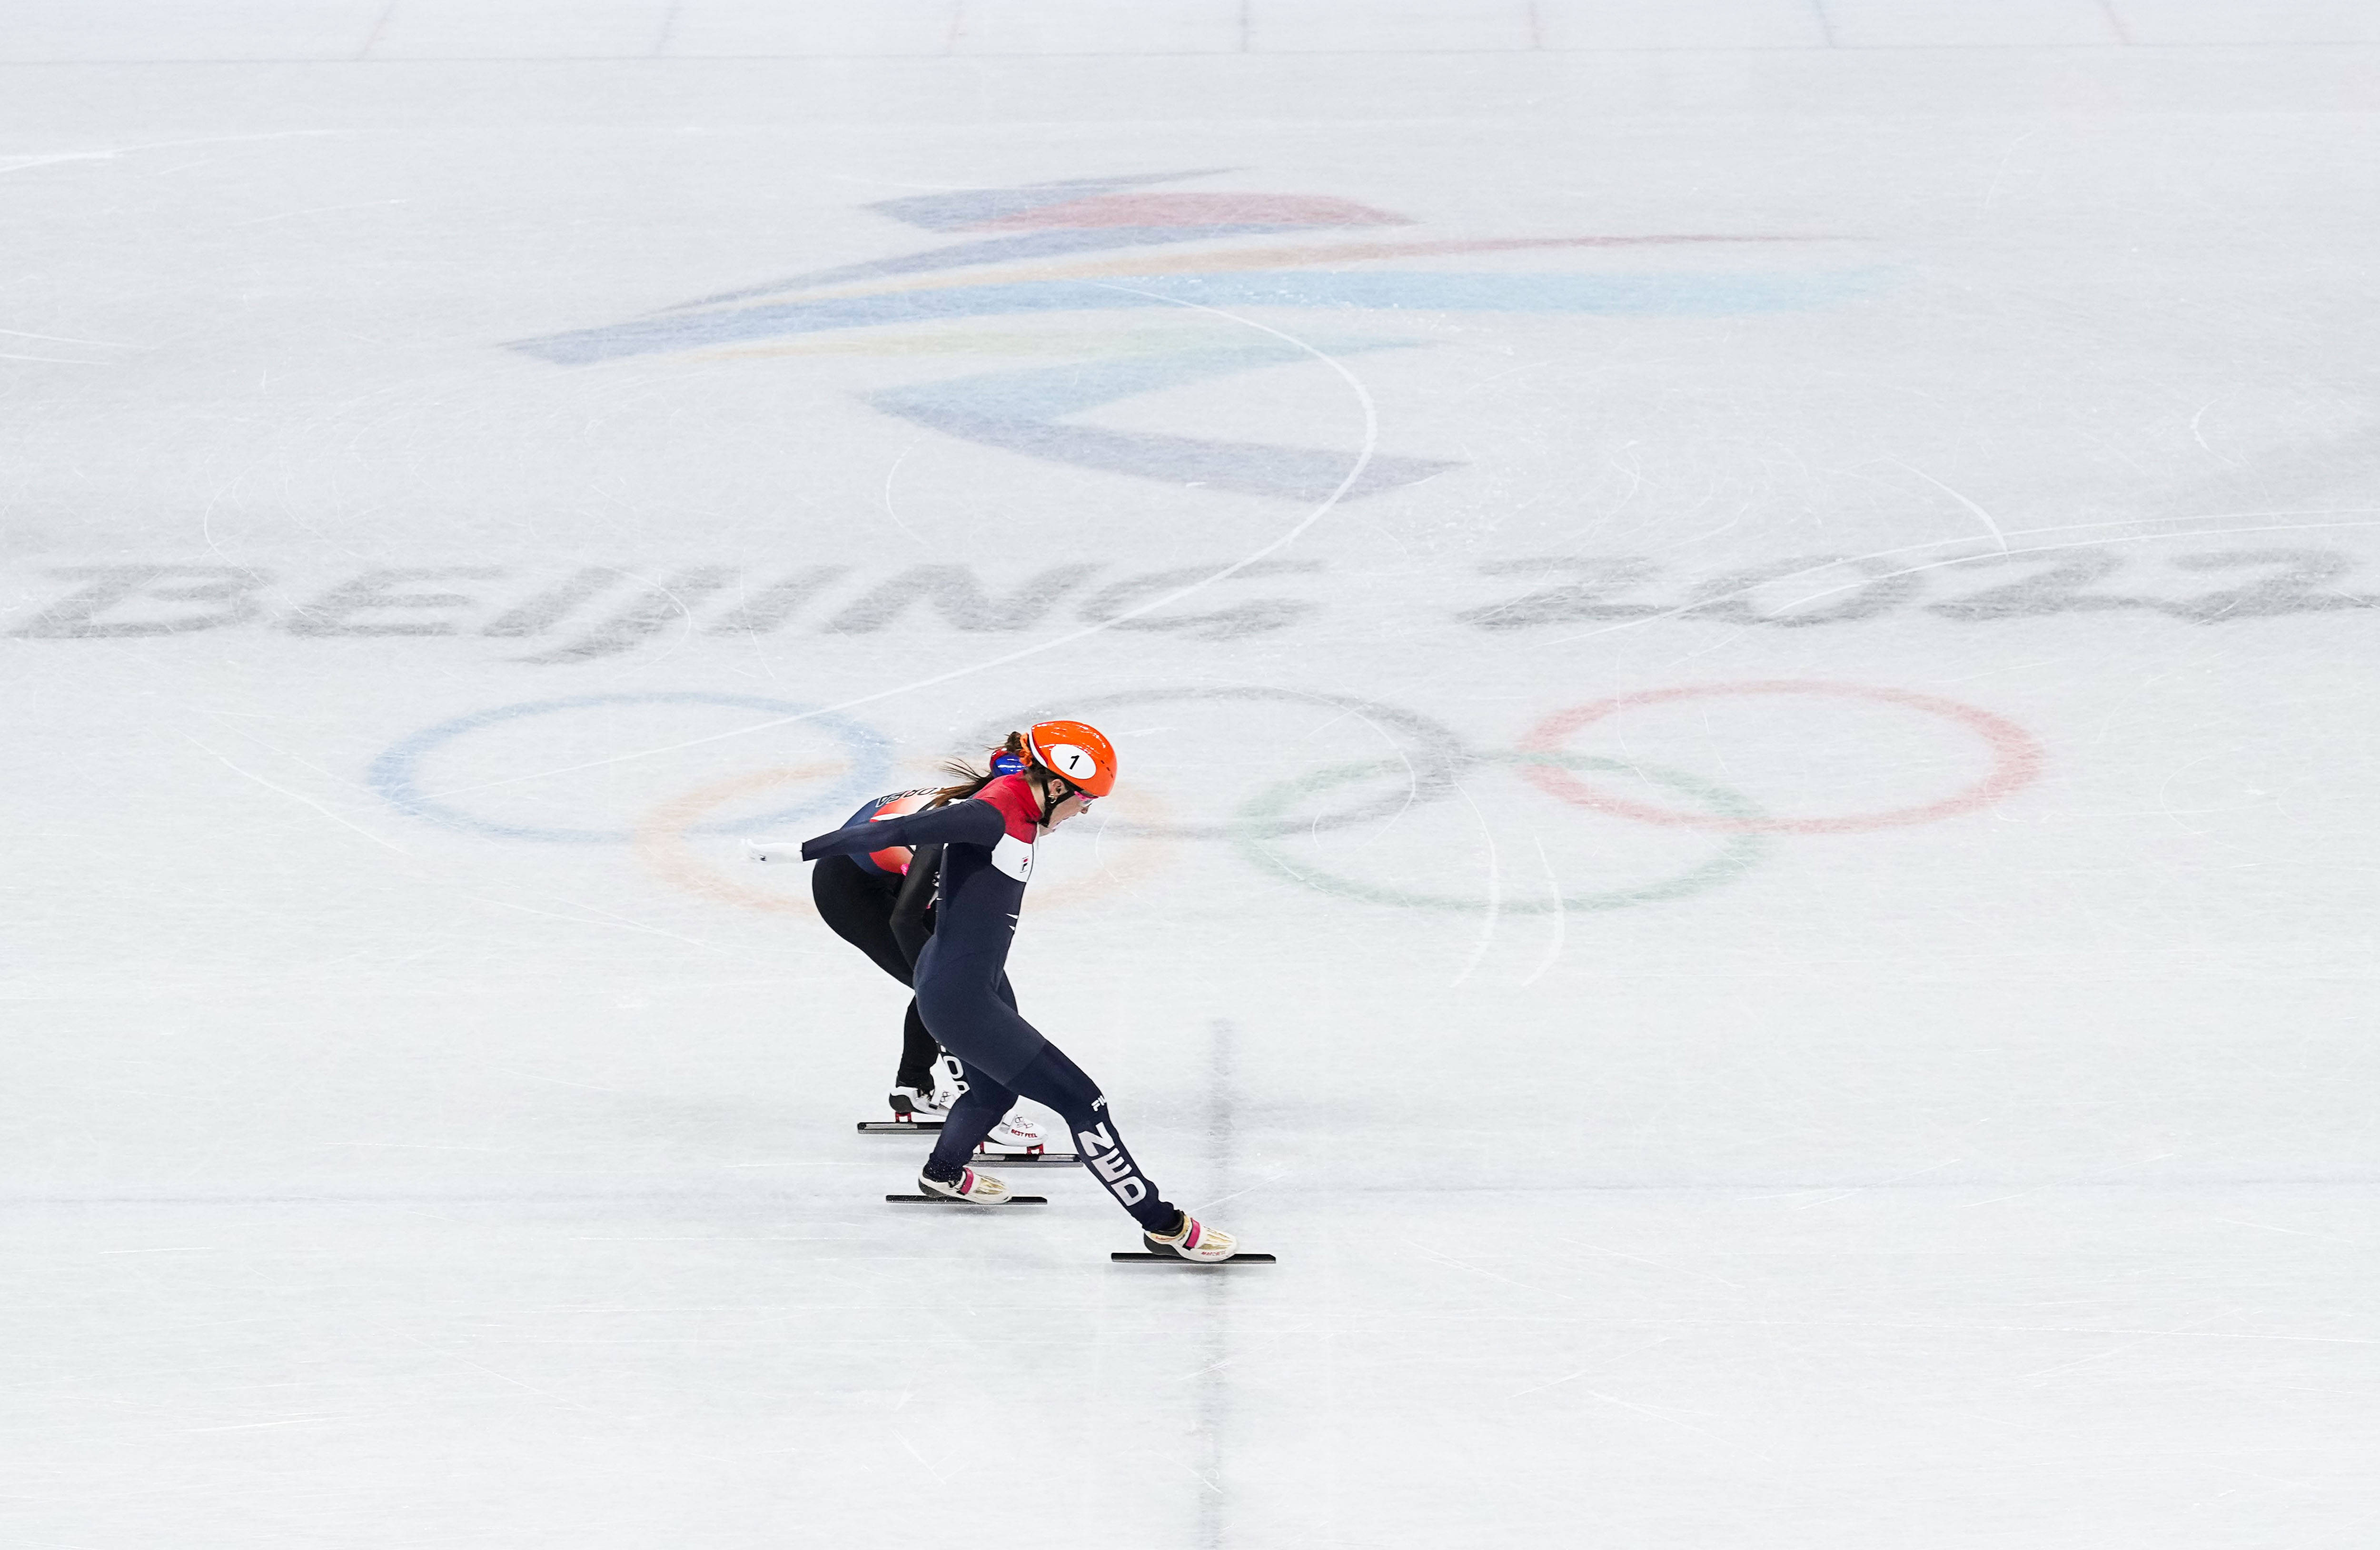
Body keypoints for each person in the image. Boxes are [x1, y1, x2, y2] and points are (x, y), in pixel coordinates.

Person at [798, 720, 1237, 1262]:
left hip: (962, 982)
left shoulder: (1016, 798)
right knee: (1085, 1102)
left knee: (995, 1092)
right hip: (935, 970)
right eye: (1084, 801)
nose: (1084, 813)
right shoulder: (983, 815)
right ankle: (1162, 1224)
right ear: (1054, 786)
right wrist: (796, 849)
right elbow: (898, 886)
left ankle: (943, 1173)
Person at [809, 785, 1045, 1153]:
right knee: (956, 996)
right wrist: (937, 983)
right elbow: (905, 919)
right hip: (851, 892)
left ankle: (912, 1086)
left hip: (890, 874)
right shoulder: (950, 836)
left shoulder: (987, 805)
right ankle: (980, 1107)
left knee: (976, 984)